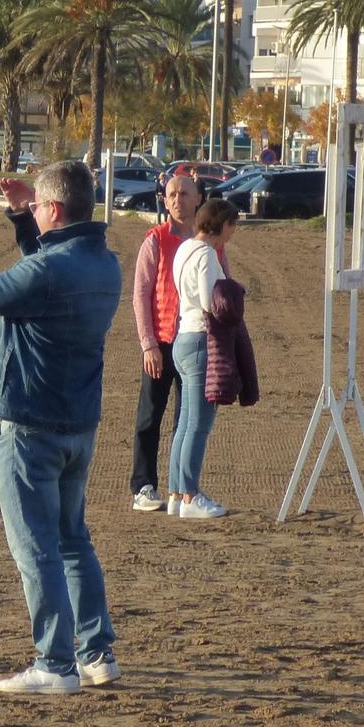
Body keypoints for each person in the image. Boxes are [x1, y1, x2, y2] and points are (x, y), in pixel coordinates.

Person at [0, 161, 122, 695]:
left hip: (30, 425)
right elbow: (46, 271)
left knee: (35, 547)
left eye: (40, 206)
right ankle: (95, 653)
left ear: (56, 210)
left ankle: (55, 663)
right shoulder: (103, 263)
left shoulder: (51, 271)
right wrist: (24, 216)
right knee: (72, 540)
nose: (35, 212)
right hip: (78, 424)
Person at [128, 170, 204, 513]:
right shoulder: (155, 240)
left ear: (198, 198)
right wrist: (148, 344)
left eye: (185, 193)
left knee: (186, 420)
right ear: (164, 200)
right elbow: (140, 294)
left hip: (195, 342)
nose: (178, 200)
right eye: (172, 194)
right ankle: (143, 486)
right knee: (149, 418)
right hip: (161, 342)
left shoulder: (207, 243)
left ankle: (179, 489)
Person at [167, 197, 241, 520]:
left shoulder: (184, 248)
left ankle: (175, 492)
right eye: (232, 225)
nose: (233, 232)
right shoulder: (208, 254)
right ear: (221, 224)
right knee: (198, 425)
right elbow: (212, 303)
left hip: (182, 337)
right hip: (200, 339)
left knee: (185, 423)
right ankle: (190, 495)